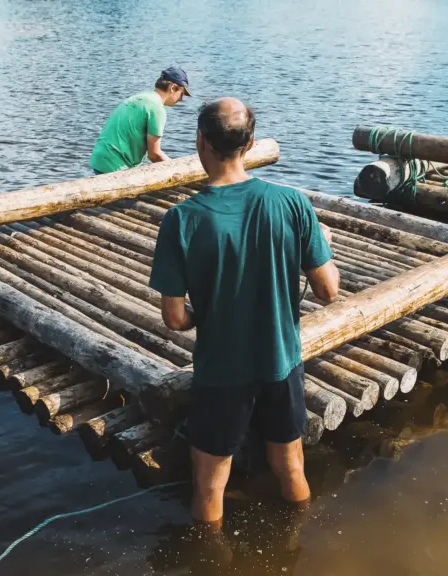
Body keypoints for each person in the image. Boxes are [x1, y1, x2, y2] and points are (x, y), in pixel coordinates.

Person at [149, 97, 340, 538]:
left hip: (221, 374)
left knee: (210, 484)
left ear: (200, 140)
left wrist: (207, 312)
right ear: (251, 144)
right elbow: (329, 291)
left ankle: (210, 559)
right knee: (291, 467)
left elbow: (174, 319)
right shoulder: (292, 204)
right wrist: (323, 242)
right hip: (281, 364)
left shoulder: (181, 220)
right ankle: (298, 547)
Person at [89, 66, 191, 174]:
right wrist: (178, 169)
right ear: (173, 87)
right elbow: (154, 154)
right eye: (181, 93)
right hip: (115, 166)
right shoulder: (157, 108)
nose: (181, 99)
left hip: (99, 159)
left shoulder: (140, 97)